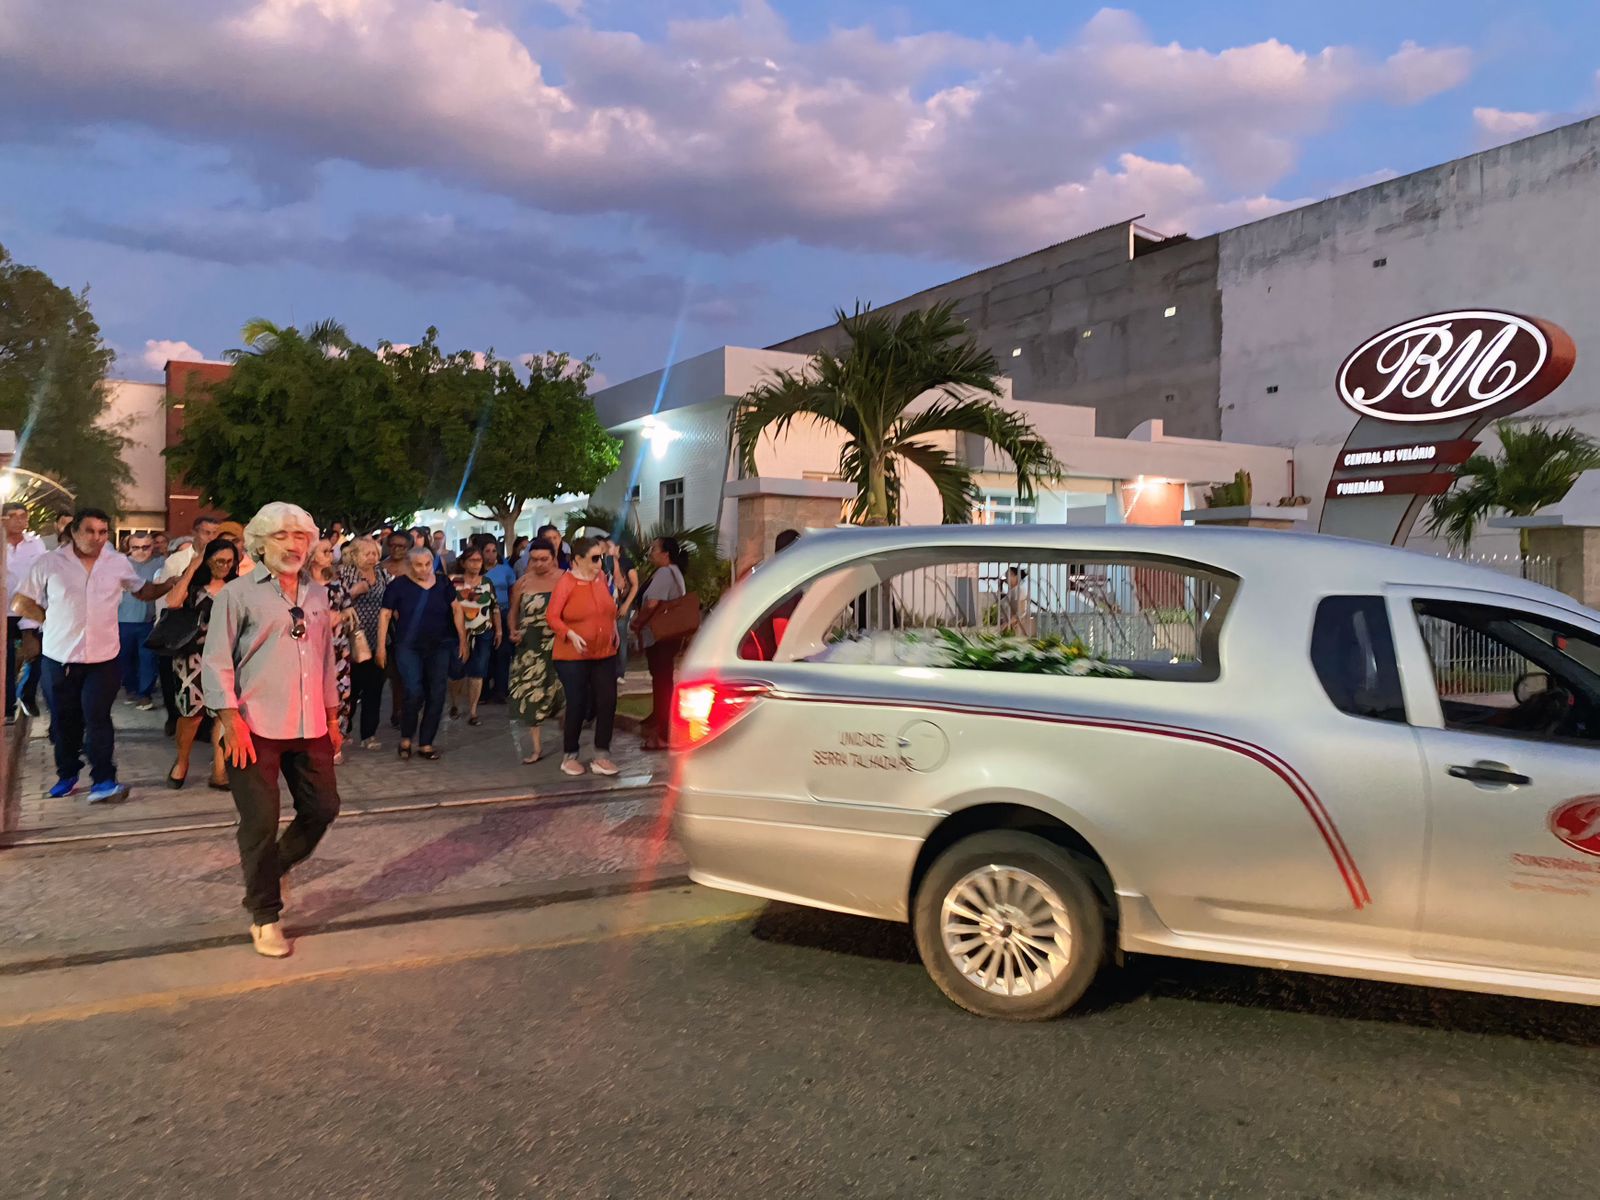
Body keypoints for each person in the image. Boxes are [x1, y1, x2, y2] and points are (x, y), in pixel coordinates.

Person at [202, 502, 342, 959]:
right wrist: (230, 722)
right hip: (254, 725)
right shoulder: (237, 594)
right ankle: (264, 914)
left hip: (311, 724)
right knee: (259, 824)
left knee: (322, 808)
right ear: (261, 544)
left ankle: (271, 868)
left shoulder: (318, 595)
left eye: (301, 536)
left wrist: (333, 717)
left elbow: (325, 660)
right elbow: (217, 663)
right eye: (282, 536)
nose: (294, 545)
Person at [12, 508, 176, 802]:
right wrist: (47, 620)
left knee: (98, 718)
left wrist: (171, 584)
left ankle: (104, 780)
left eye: (103, 532)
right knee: (64, 721)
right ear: (74, 532)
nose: (97, 538)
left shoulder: (117, 563)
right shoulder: (49, 562)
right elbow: (21, 601)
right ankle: (68, 774)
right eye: (90, 531)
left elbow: (142, 591)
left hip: (103, 658)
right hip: (58, 657)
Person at [378, 547, 466, 761]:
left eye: (427, 564)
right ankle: (406, 736)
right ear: (409, 565)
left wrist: (463, 639)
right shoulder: (397, 586)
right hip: (408, 646)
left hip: (440, 645)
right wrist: (380, 646)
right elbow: (385, 615)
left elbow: (456, 609)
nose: (424, 569)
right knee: (413, 690)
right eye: (418, 564)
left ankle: (426, 741)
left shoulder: (443, 583)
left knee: (437, 693)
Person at [165, 538, 239, 789]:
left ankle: (219, 771)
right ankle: (182, 761)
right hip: (193, 657)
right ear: (207, 560)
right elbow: (172, 602)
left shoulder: (237, 588)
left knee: (223, 711)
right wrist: (193, 567)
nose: (225, 566)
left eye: (230, 561)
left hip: (227, 658)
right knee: (191, 715)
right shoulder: (195, 588)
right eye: (219, 561)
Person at [546, 537, 620, 777]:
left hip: (603, 652)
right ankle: (570, 755)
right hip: (572, 656)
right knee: (577, 702)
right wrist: (569, 633)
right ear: (578, 559)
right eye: (595, 558)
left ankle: (602, 754)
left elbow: (609, 611)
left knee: (607, 700)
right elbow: (553, 616)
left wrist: (614, 630)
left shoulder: (600, 580)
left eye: (602, 557)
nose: (600, 563)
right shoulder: (566, 583)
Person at [633, 536, 691, 752]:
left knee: (662, 682)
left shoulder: (666, 573)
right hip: (668, 636)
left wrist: (637, 622)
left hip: (661, 635)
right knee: (663, 679)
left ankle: (665, 733)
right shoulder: (673, 572)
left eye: (654, 549)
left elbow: (652, 602)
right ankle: (660, 722)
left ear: (665, 554)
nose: (651, 552)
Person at [507, 540, 563, 763]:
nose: (539, 564)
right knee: (531, 692)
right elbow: (514, 611)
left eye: (544, 559)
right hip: (529, 644)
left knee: (563, 692)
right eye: (534, 559)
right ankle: (536, 748)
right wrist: (512, 629)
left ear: (553, 558)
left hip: (559, 642)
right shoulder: (522, 583)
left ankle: (570, 745)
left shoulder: (565, 579)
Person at [340, 536, 389, 750]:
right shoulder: (345, 573)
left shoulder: (382, 574)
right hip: (352, 639)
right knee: (351, 688)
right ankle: (345, 729)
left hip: (377, 637)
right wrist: (355, 591)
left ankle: (369, 734)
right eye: (367, 553)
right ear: (354, 555)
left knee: (374, 688)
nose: (372, 558)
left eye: (375, 553)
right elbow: (336, 600)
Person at [311, 539, 355, 762]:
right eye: (324, 551)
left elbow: (348, 610)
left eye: (331, 551)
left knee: (339, 695)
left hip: (337, 648)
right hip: (310, 649)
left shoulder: (337, 585)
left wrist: (341, 616)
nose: (330, 555)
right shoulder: (302, 587)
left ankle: (335, 743)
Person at [4, 501, 48, 721]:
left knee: (37, 655)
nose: (20, 520)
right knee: (6, 660)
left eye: (23, 516)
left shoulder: (36, 544)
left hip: (29, 607)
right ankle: (7, 707)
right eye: (14, 516)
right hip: (4, 611)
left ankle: (26, 694)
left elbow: (42, 576)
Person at [446, 545, 499, 725]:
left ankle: (473, 711)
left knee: (478, 671)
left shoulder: (486, 582)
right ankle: (454, 703)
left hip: (483, 630)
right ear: (463, 562)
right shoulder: (454, 581)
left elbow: (495, 607)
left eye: (478, 560)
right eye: (472, 560)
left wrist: (498, 630)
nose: (476, 564)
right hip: (457, 632)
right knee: (456, 671)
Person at [116, 532, 163, 709]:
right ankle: (131, 689)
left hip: (149, 621)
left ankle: (145, 694)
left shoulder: (161, 563)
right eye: (136, 547)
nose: (140, 551)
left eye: (145, 547)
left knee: (148, 659)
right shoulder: (120, 564)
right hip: (122, 620)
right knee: (125, 659)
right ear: (129, 547)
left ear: (152, 547)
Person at [599, 535, 640, 681]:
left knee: (620, 637)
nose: (606, 550)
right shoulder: (602, 562)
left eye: (609, 546)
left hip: (621, 604)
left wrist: (626, 605)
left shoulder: (626, 562)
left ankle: (619, 672)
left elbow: (632, 584)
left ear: (618, 548)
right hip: (606, 605)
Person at [482, 540, 517, 703]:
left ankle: (501, 689)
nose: (491, 554)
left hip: (503, 612)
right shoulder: (479, 571)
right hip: (484, 615)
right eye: (487, 551)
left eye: (494, 551)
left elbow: (513, 590)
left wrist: (513, 612)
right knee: (485, 652)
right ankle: (483, 689)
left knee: (503, 652)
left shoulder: (505, 570)